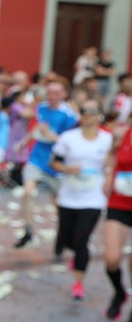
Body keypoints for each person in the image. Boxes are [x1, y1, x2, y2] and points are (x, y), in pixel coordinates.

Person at [50, 97, 111, 301]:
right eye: (84, 111)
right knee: (68, 238)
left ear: (99, 116)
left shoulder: (107, 140)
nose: (88, 116)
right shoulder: (68, 137)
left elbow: (116, 162)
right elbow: (55, 163)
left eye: (92, 112)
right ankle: (75, 253)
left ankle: (78, 282)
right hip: (69, 195)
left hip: (94, 198)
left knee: (81, 239)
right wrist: (68, 168)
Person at [14, 78, 79, 249]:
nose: (52, 96)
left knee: (58, 202)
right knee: (28, 191)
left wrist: (49, 134)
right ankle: (28, 231)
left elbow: (69, 142)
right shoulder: (41, 107)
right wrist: (24, 140)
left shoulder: (69, 116)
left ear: (64, 94)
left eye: (56, 93)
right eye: (49, 92)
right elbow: (38, 128)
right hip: (37, 157)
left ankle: (63, 235)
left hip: (56, 163)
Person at [103, 117, 132, 321]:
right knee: (112, 259)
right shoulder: (122, 133)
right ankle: (119, 293)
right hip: (119, 201)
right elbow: (111, 158)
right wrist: (108, 175)